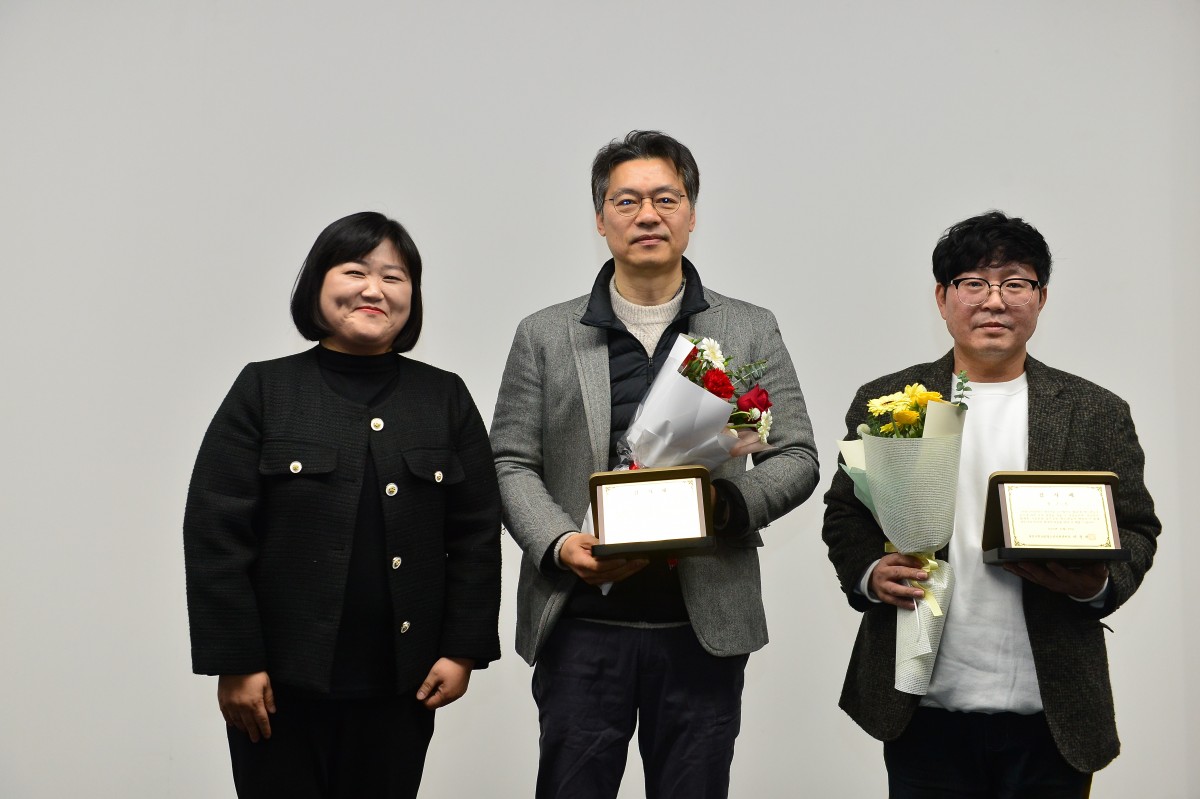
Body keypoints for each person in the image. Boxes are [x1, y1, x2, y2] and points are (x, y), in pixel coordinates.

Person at [491, 130, 820, 798]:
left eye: (666, 199)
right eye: (627, 201)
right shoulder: (545, 334)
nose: (648, 215)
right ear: (600, 218)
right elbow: (511, 460)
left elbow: (797, 455)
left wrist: (726, 505)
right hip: (581, 625)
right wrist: (560, 543)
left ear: (691, 214)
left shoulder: (748, 328)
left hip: (701, 628)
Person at [822, 211, 1161, 798]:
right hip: (922, 706)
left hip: (1051, 711)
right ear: (942, 297)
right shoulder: (887, 400)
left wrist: (1095, 586)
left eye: (1015, 283)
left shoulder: (1095, 410)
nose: (994, 301)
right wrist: (870, 571)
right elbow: (845, 514)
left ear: (1041, 297)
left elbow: (1135, 528)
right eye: (974, 283)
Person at [183, 211, 501, 798]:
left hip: (402, 684)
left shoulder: (445, 397)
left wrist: (462, 650)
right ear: (317, 285)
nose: (374, 289)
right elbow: (214, 534)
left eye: (394, 277)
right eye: (355, 271)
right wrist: (237, 660)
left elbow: (476, 536)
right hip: (276, 686)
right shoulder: (264, 390)